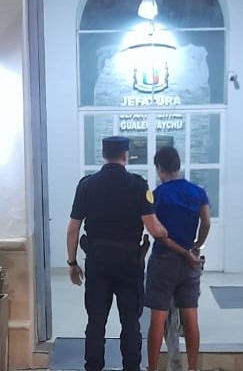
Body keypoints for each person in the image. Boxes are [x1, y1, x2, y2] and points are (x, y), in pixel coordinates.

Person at [65, 136, 169, 371]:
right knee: (130, 322)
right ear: (125, 155)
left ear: (104, 155)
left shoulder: (87, 185)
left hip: (97, 262)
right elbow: (153, 228)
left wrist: (72, 262)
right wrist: (167, 232)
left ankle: (93, 367)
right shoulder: (138, 185)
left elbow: (73, 228)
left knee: (96, 321)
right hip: (129, 263)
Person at [146, 146, 211, 371]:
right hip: (189, 262)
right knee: (190, 314)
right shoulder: (198, 192)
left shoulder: (157, 195)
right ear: (178, 166)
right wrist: (196, 246)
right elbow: (206, 222)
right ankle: (192, 367)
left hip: (163, 260)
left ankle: (153, 367)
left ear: (160, 169)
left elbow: (158, 232)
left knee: (158, 317)